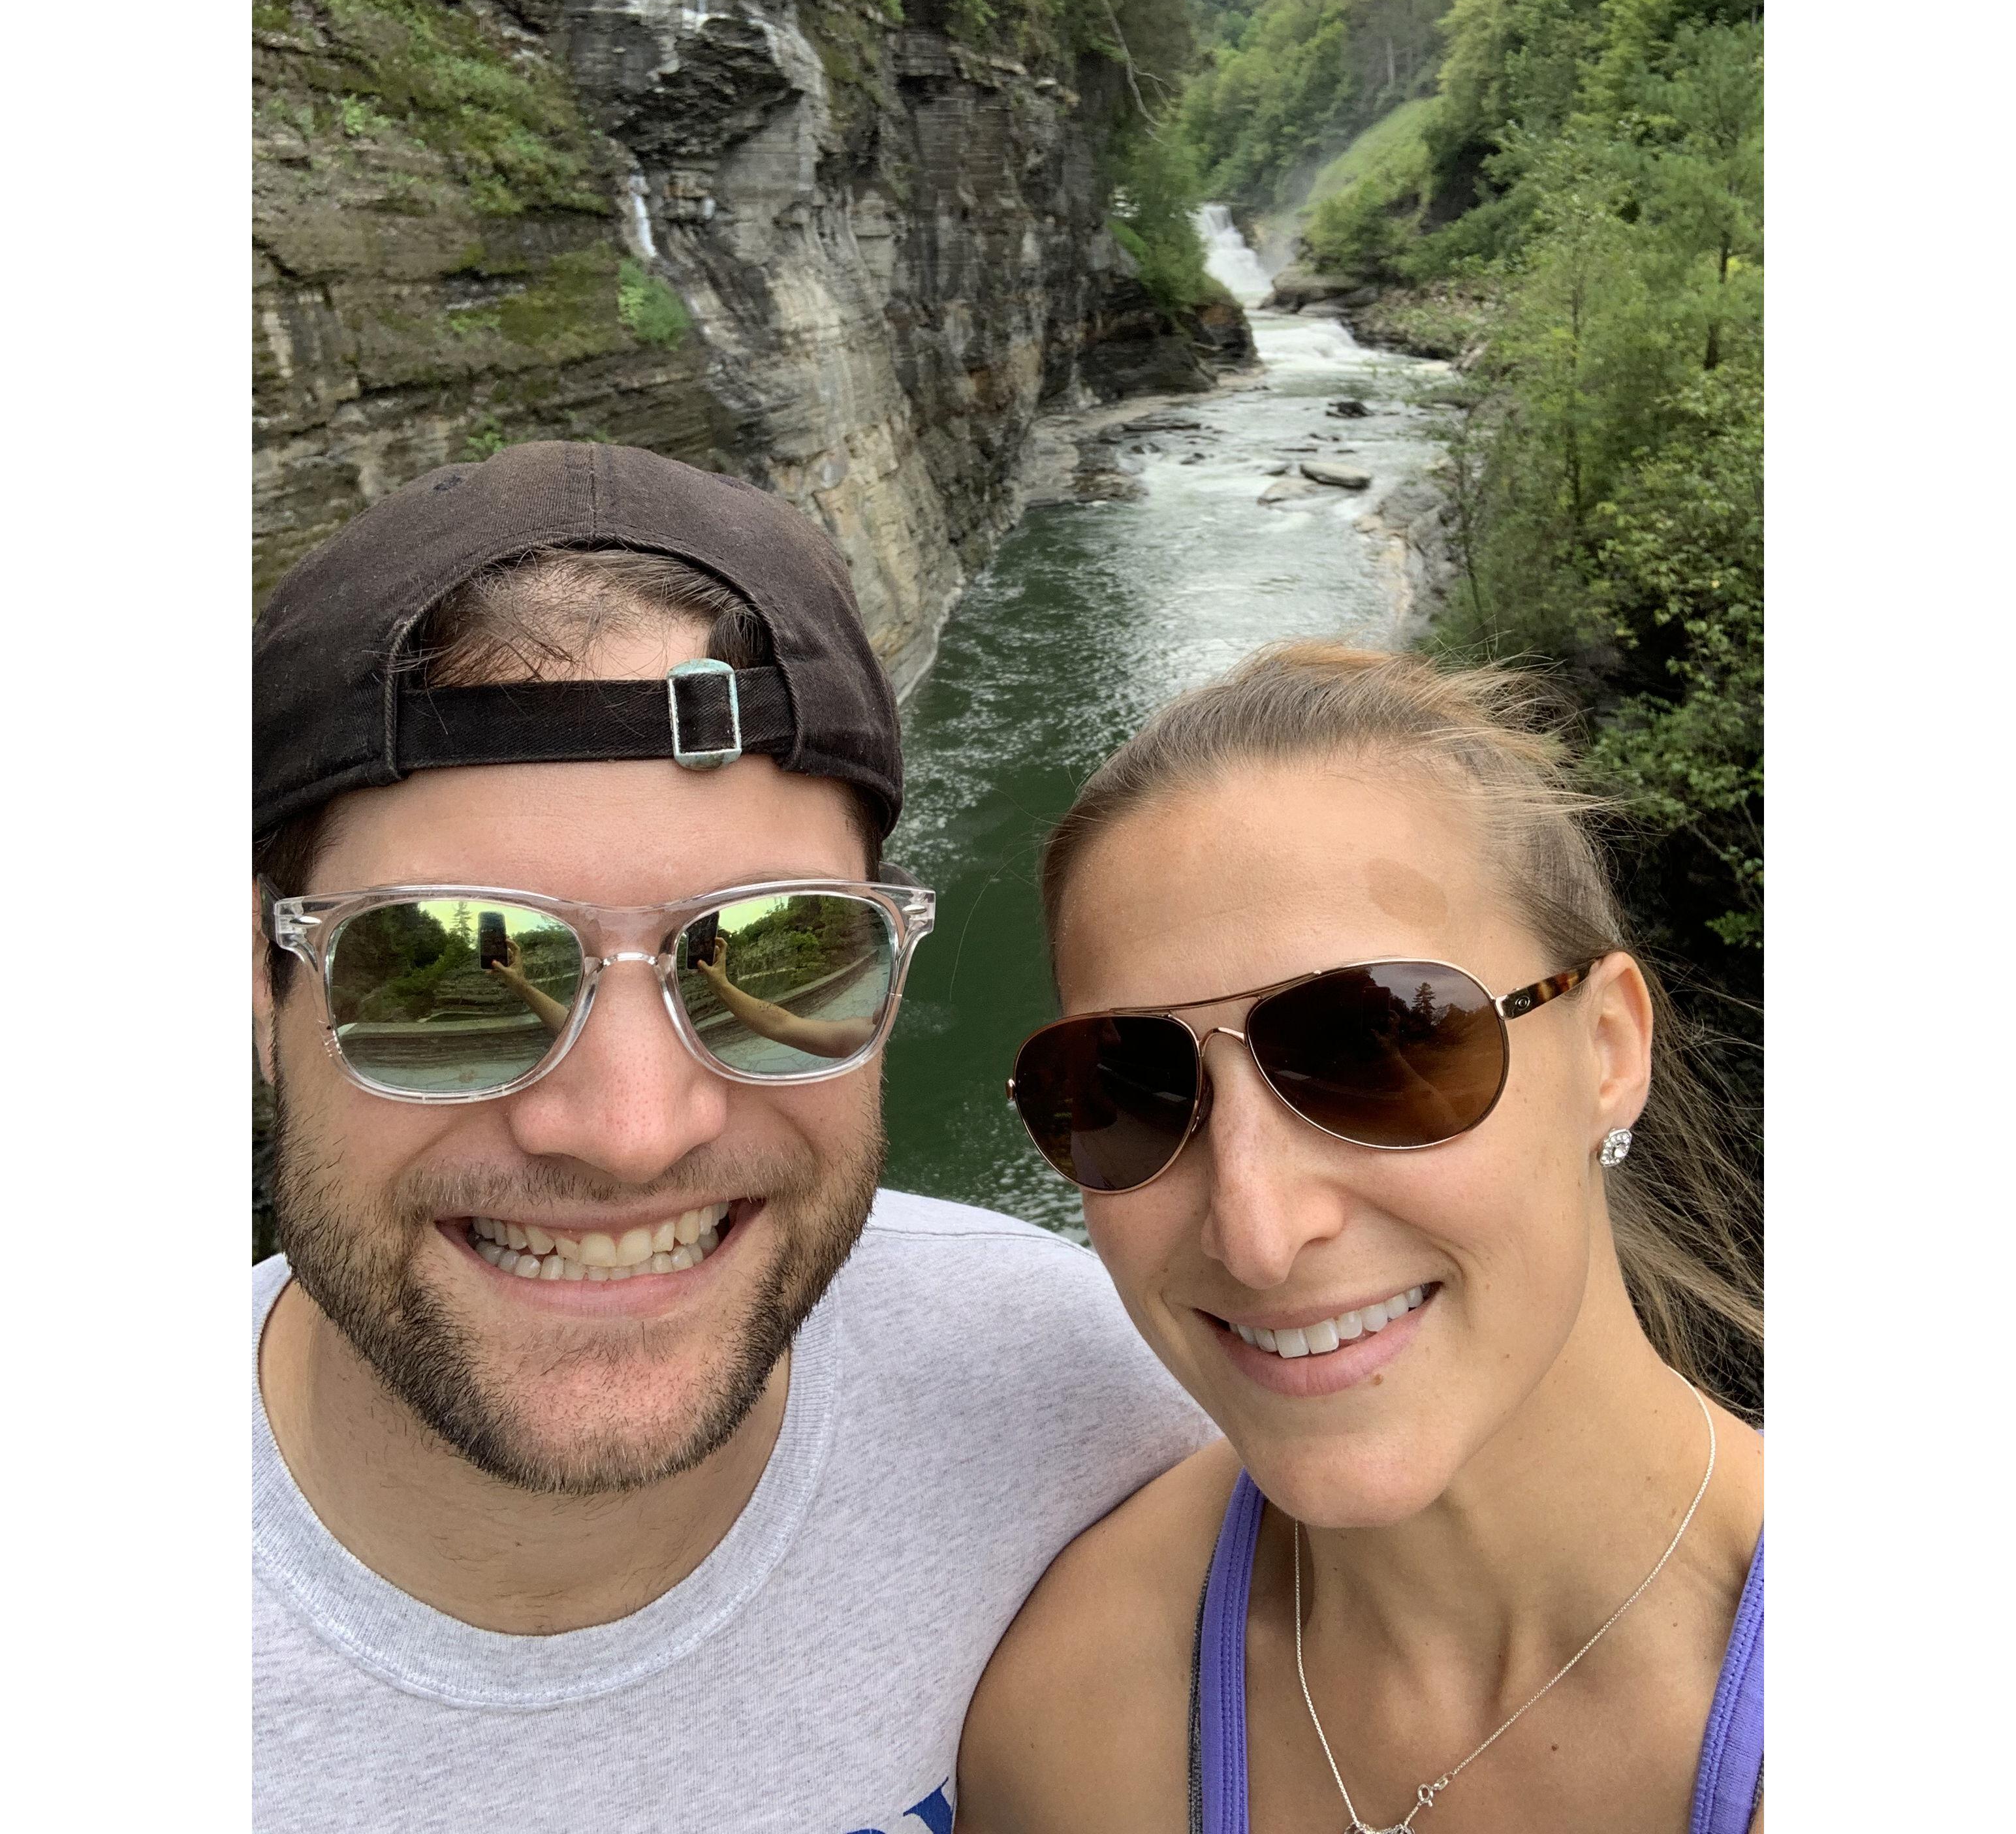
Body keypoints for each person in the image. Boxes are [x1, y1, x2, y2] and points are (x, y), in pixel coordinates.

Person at [251, 441, 1214, 1832]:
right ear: (257, 988)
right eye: (450, 968)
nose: (633, 1130)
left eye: (776, 952)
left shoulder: (1097, 1406)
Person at [958, 643, 1764, 1832]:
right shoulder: (1074, 1722)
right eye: (1127, 1089)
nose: (1259, 1230)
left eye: (1380, 1049)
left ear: (1608, 1050)